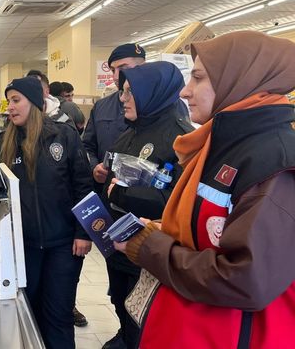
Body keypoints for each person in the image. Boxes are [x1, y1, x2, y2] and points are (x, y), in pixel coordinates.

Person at [115, 31, 295, 348]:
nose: (185, 91)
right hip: (193, 328)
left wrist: (152, 247)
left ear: (240, 79)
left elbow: (246, 281)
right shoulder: (222, 144)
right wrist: (164, 230)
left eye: (198, 78)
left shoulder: (273, 161)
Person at [0, 76, 94, 348]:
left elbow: (83, 186)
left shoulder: (64, 136)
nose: (10, 107)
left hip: (63, 244)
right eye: (8, 101)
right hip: (22, 247)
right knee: (30, 312)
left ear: (34, 102)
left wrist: (83, 232)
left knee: (59, 314)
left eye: (16, 100)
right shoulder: (2, 143)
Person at [101, 61, 194, 349]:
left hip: (151, 254)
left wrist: (123, 195)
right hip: (118, 248)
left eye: (130, 92)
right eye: (123, 91)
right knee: (122, 307)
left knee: (145, 324)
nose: (122, 99)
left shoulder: (182, 139)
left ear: (151, 93)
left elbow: (179, 204)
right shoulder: (130, 132)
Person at [82, 44, 146, 192]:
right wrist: (94, 168)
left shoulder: (160, 107)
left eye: (123, 69)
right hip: (104, 190)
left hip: (139, 196)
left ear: (143, 67)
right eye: (112, 70)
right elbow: (87, 146)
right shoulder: (101, 106)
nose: (116, 76)